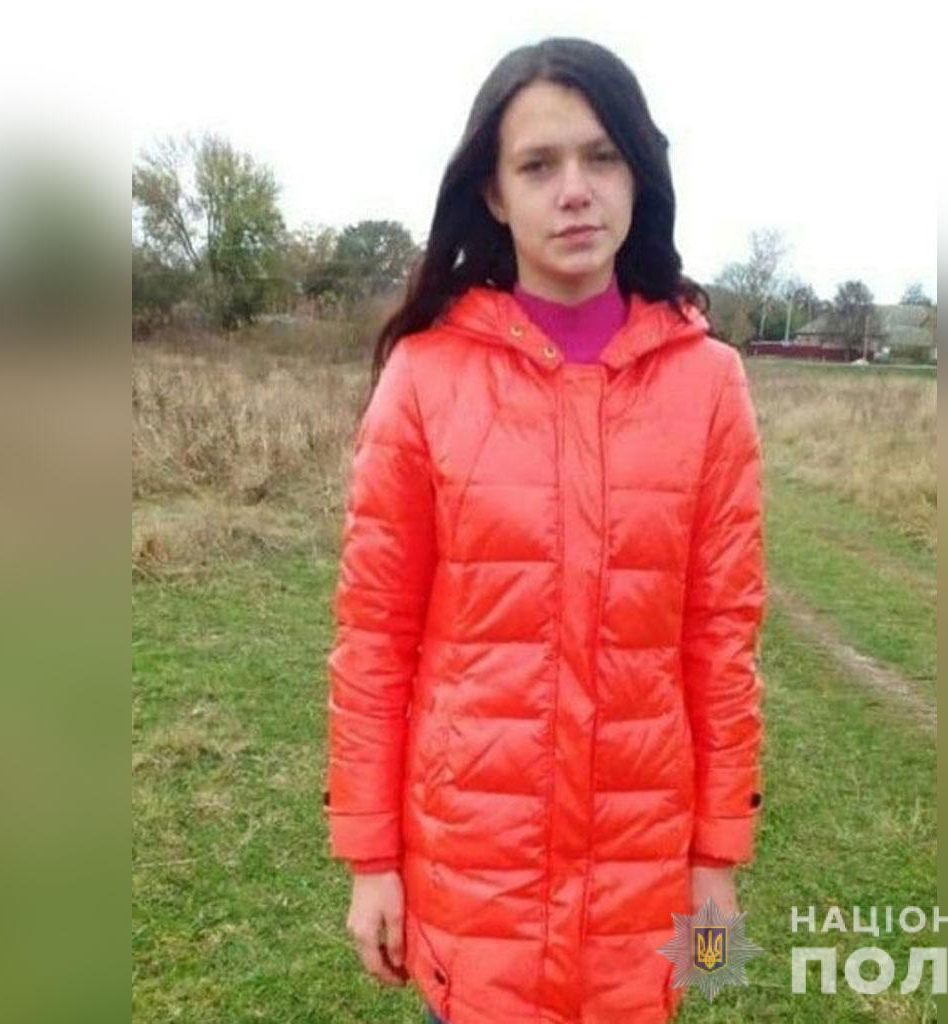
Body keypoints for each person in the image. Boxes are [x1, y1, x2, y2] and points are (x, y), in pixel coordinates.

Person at [324, 36, 766, 1024]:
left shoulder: (710, 385)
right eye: (537, 164)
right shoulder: (424, 379)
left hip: (643, 880)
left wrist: (717, 861)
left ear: (637, 173)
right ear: (492, 192)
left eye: (601, 156)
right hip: (472, 880)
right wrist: (370, 860)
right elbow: (374, 640)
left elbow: (720, 639)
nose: (574, 191)